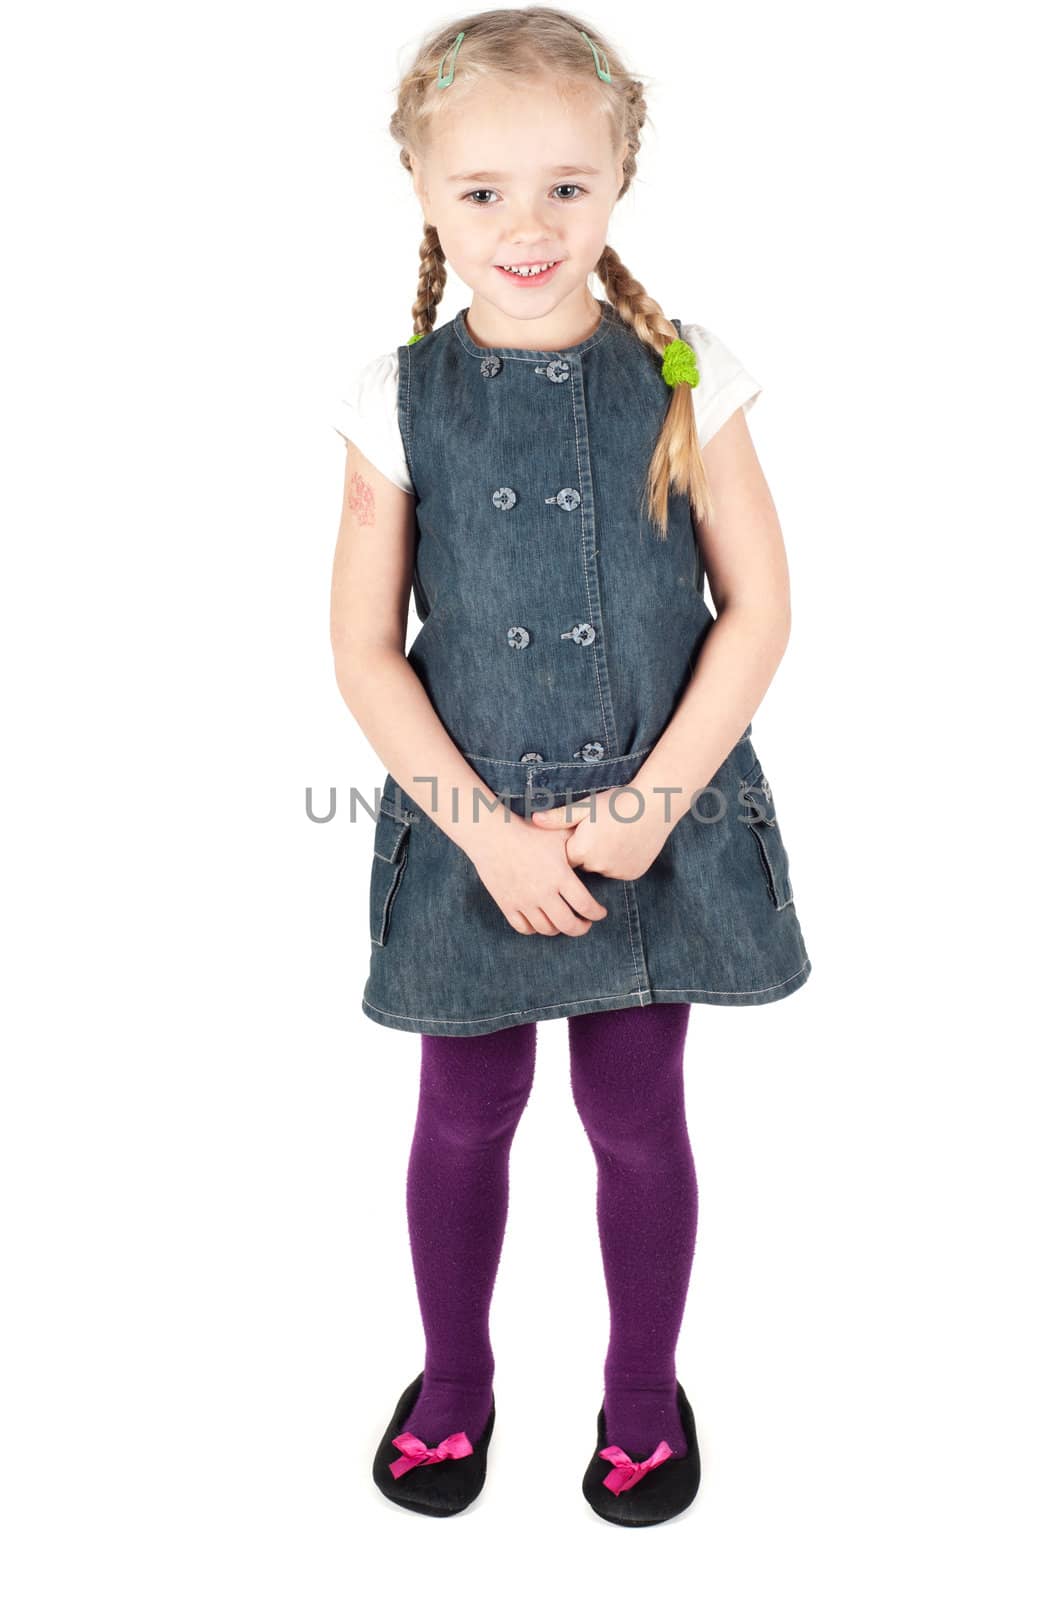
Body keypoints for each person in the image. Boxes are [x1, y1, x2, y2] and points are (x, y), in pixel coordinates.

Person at [329, 8, 812, 1525]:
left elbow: (763, 612)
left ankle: (640, 1393)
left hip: (651, 837)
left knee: (634, 1116)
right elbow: (363, 651)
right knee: (462, 1114)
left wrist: (646, 807)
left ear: (618, 179)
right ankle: (456, 1385)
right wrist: (490, 838)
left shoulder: (686, 372)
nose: (526, 226)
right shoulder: (391, 398)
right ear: (420, 189)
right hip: (474, 848)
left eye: (563, 187)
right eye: (482, 192)